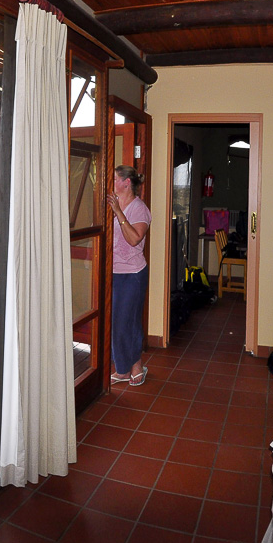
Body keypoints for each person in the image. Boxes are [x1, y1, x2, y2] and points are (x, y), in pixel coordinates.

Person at [109, 165, 152, 386]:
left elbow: (134, 239)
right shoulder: (110, 204)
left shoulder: (139, 209)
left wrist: (118, 212)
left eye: (115, 178)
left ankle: (136, 366)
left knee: (129, 321)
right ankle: (123, 369)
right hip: (113, 272)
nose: (112, 182)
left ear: (126, 183)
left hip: (133, 274)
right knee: (115, 322)